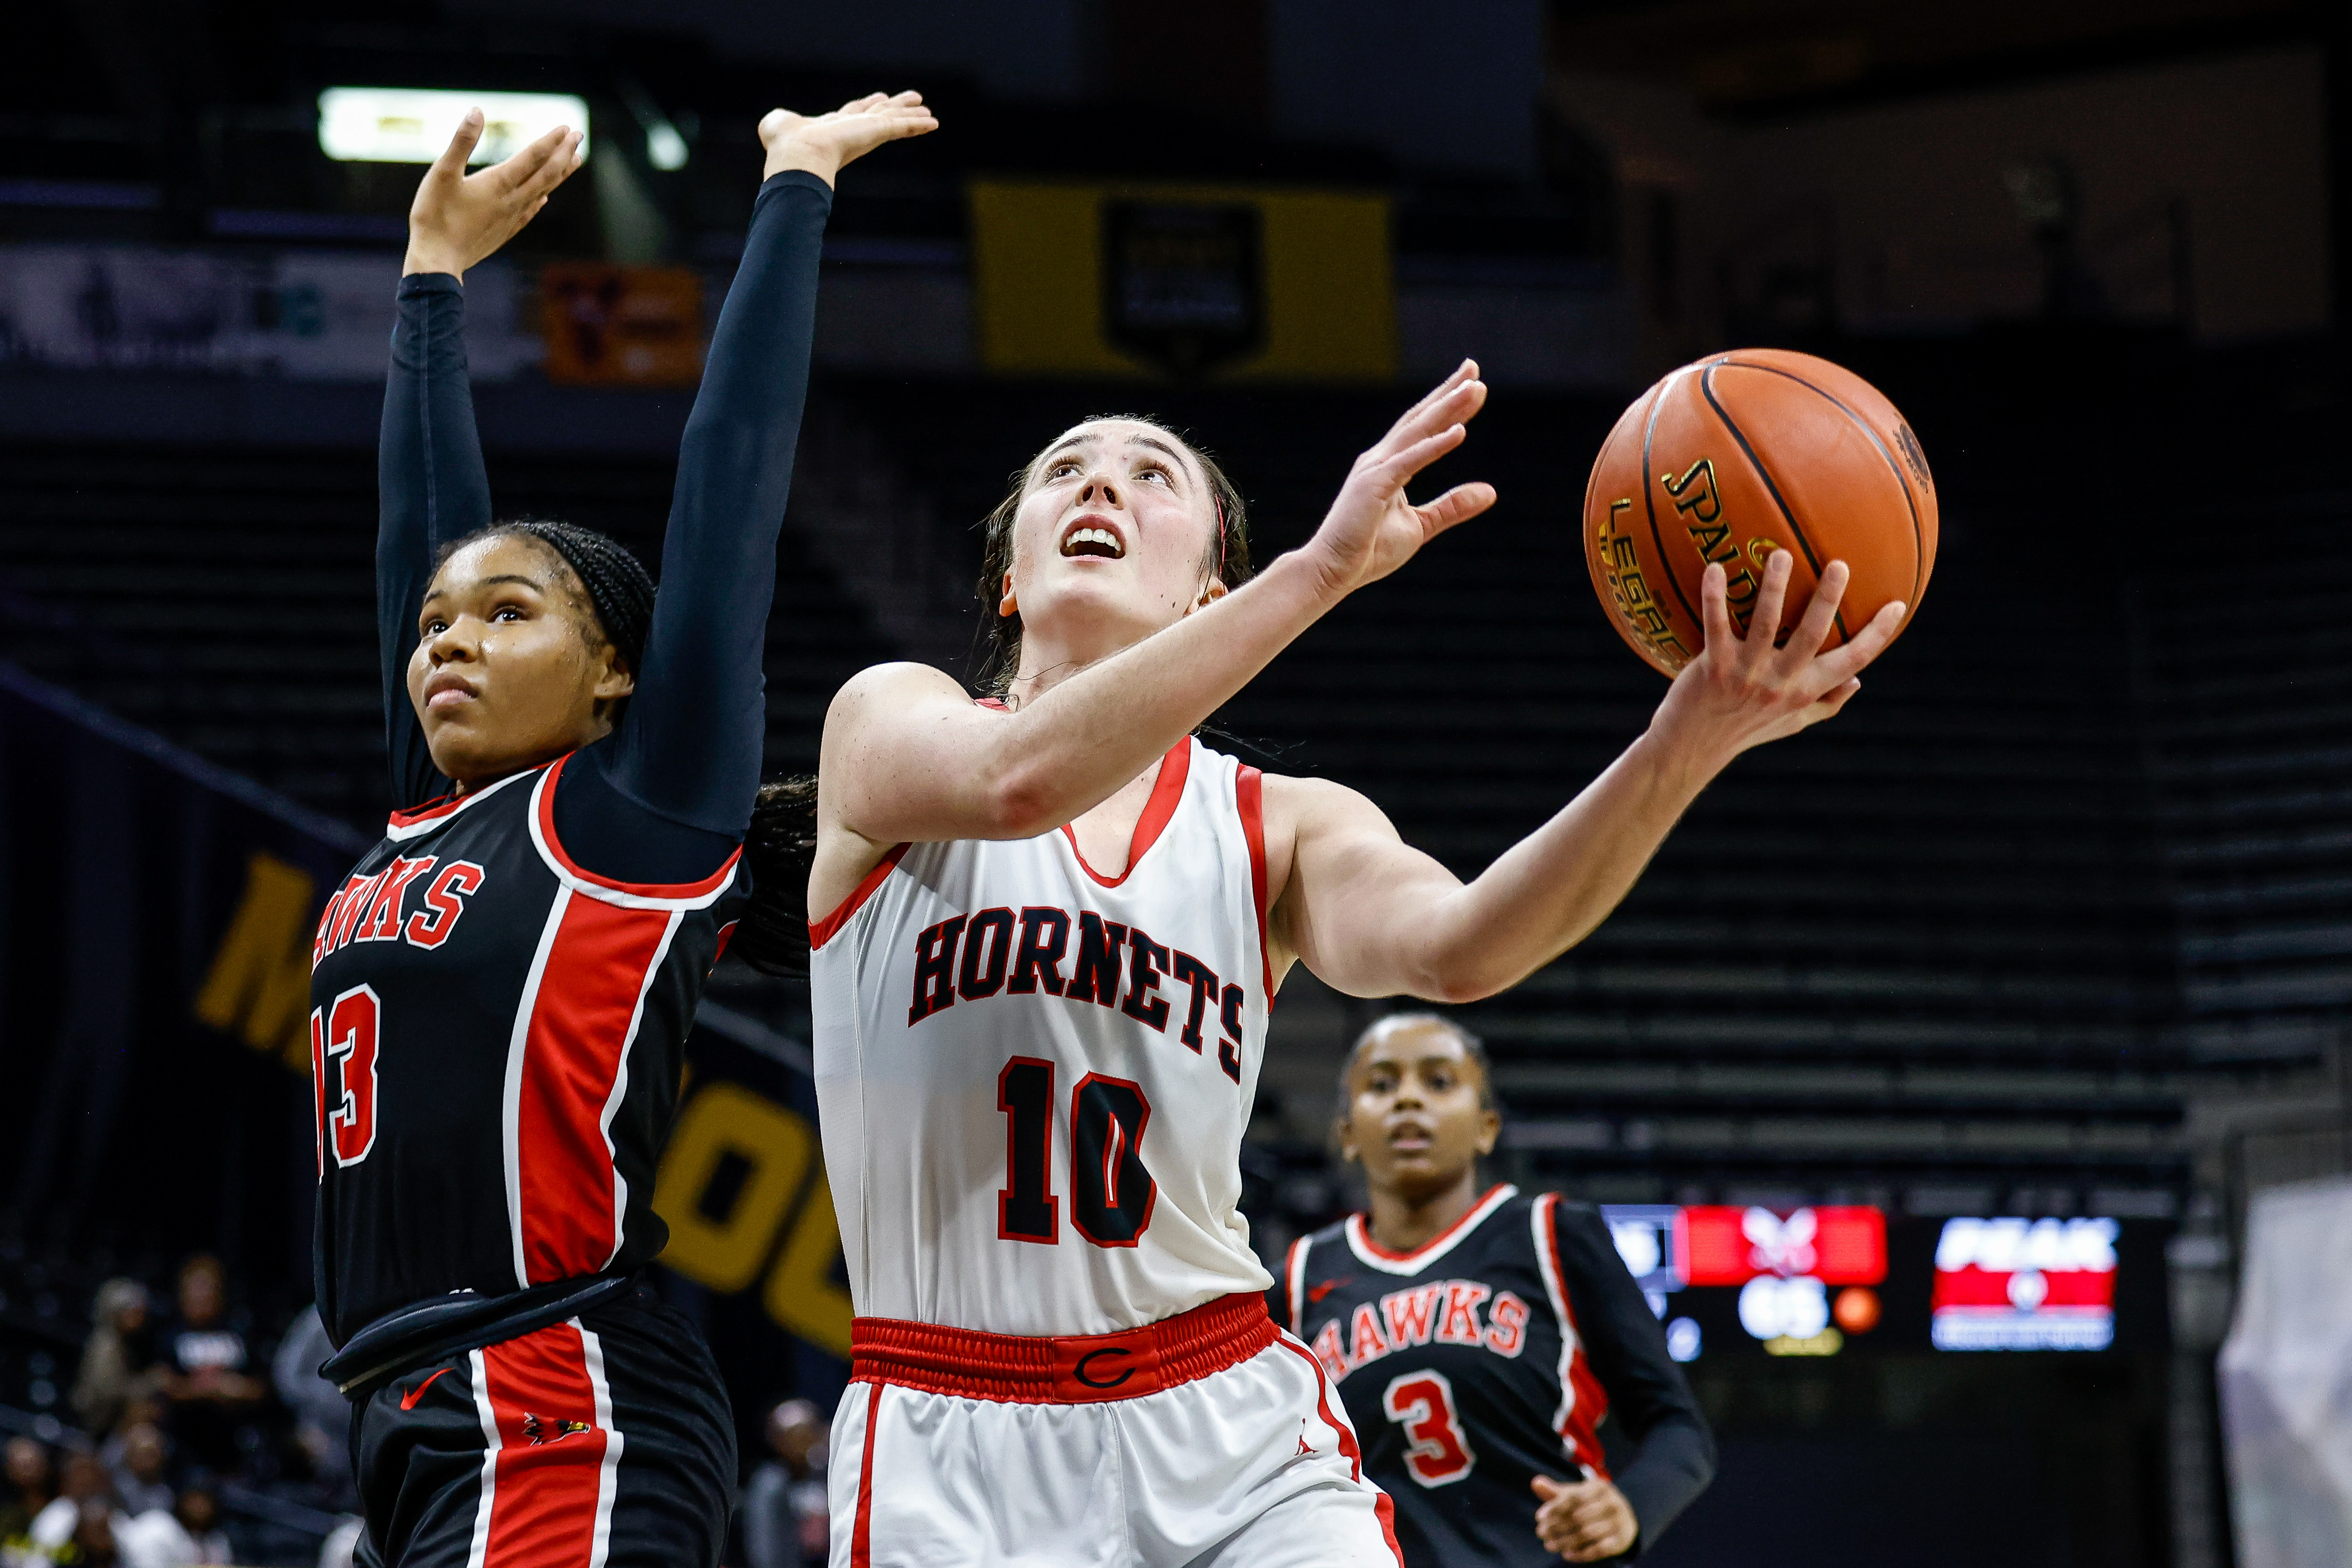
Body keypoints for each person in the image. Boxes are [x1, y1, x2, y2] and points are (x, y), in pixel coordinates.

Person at [801, 351, 1897, 1561]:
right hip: (950, 1427)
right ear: (1008, 581)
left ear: (1207, 593)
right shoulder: (887, 721)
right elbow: (1015, 782)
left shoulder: (1281, 823)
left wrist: (1683, 742)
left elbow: (1463, 947)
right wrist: (1319, 573)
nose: (1098, 489)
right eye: (1064, 472)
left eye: (1148, 474)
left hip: (1217, 1406)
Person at [304, 89, 932, 1568]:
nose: (446, 641)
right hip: (408, 1412)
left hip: (560, 1388)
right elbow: (424, 527)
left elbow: (729, 482)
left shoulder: (634, 812)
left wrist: (793, 183)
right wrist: (429, 278)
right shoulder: (429, 811)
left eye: (508, 617)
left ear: (615, 675)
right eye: (437, 628)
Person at [1280, 1014, 1712, 1564]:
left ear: (1486, 1127)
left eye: (1439, 1082)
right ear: (1346, 1134)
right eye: (1382, 1085)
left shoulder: (1552, 1236)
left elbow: (1679, 1429)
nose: (1408, 1100)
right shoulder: (1295, 1280)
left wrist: (1629, 1509)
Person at [740, 1399, 829, 1568]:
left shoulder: (824, 1475)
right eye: (794, 1435)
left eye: (807, 1432)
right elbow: (764, 1549)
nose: (801, 1442)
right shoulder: (770, 1484)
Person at [73, 1279, 158, 1435]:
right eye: (133, 1312)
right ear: (116, 1313)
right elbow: (107, 1390)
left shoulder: (124, 1342)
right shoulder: (105, 1344)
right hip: (98, 1424)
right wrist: (150, 1383)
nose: (140, 1318)